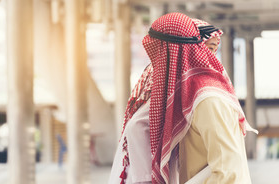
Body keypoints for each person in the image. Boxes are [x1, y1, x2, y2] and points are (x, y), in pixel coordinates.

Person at [108, 13, 256, 184]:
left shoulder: (208, 99)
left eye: (160, 54)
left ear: (173, 54)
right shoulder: (189, 98)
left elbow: (229, 173)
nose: (156, 64)